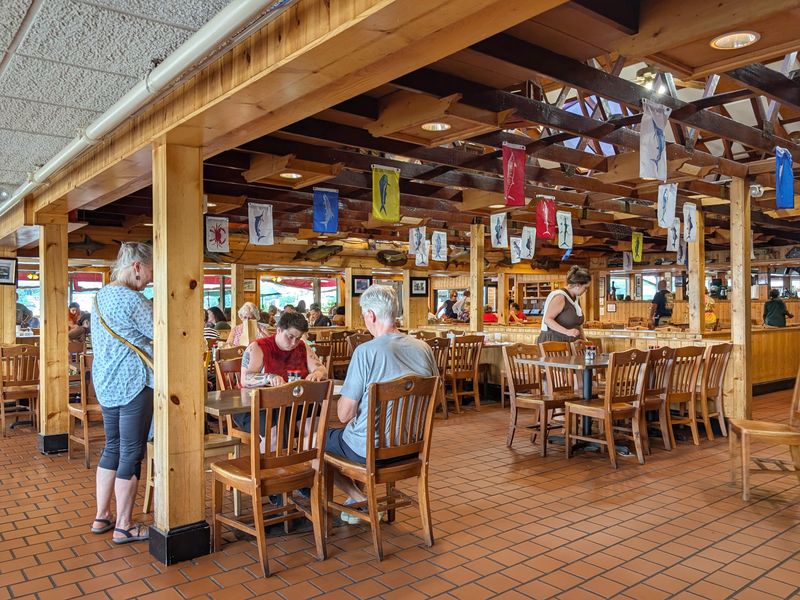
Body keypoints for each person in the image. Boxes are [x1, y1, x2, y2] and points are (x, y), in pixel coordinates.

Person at [323, 285, 436, 520]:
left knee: (317, 440)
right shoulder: (424, 348)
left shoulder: (366, 352)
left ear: (371, 315)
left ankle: (360, 498)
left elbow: (344, 414)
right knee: (351, 435)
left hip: (370, 451)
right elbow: (436, 398)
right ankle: (359, 498)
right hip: (411, 449)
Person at [90, 242, 154, 544]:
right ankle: (125, 525)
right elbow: (164, 332)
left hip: (105, 382)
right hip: (133, 382)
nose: (152, 279)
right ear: (137, 267)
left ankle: (102, 516)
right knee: (131, 452)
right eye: (151, 272)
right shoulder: (134, 300)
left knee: (111, 447)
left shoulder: (100, 296)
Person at [238, 312, 327, 435]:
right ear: (278, 330)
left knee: (314, 428)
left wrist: (317, 373)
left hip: (293, 403)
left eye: (298, 338)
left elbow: (322, 369)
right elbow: (245, 379)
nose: (293, 343)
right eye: (290, 337)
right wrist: (269, 377)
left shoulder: (302, 346)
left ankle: (309, 454)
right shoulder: (258, 347)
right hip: (258, 406)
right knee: (276, 435)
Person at [537, 266, 591, 343]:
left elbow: (578, 325)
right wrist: (567, 332)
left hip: (570, 342)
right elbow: (547, 320)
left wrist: (584, 340)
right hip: (554, 342)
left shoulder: (575, 299)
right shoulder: (560, 296)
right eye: (585, 288)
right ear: (578, 285)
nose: (586, 291)